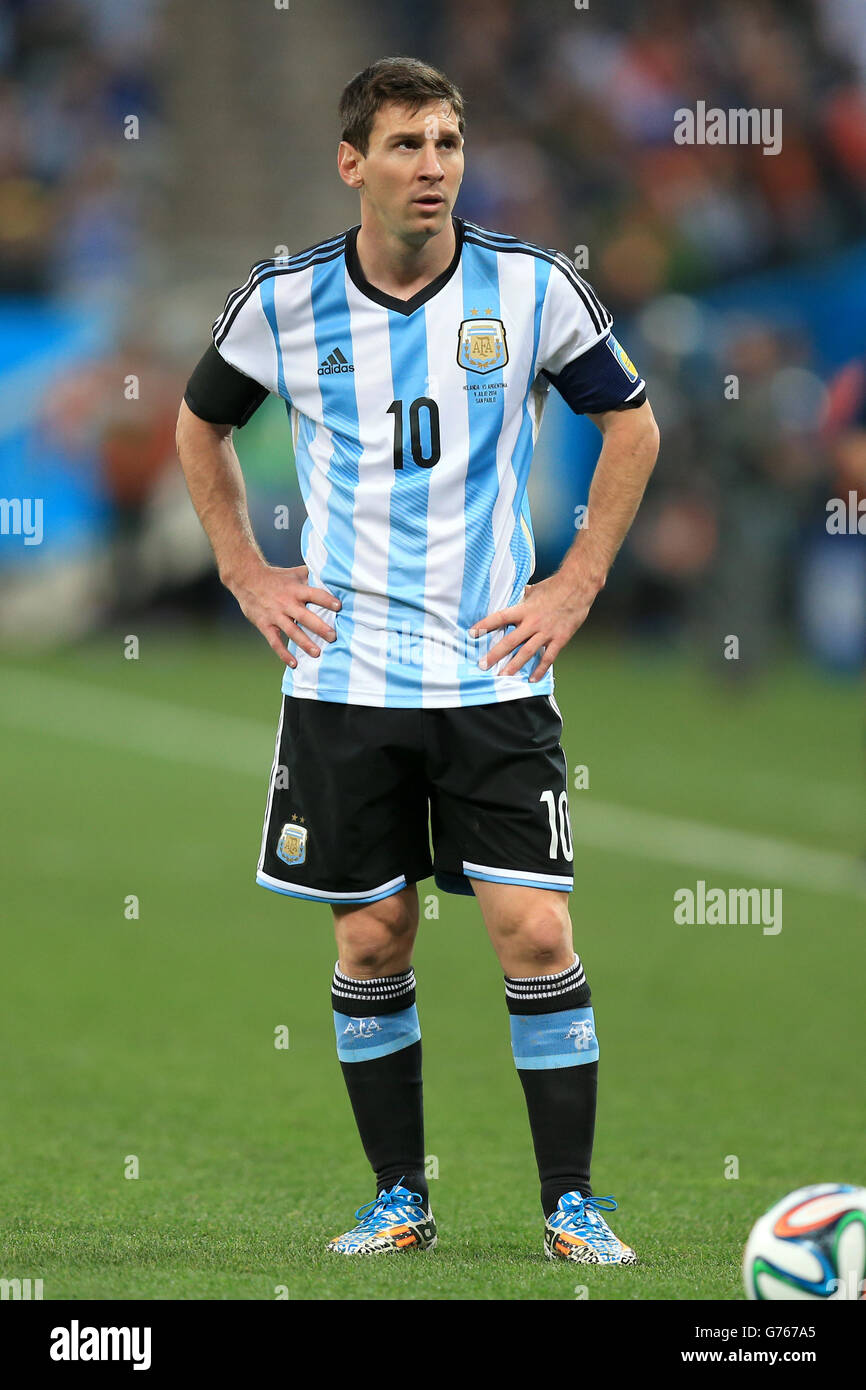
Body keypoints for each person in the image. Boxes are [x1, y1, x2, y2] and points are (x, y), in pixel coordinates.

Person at [176, 56, 659, 1263]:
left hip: (493, 669)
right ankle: (399, 1197)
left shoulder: (532, 287)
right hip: (345, 677)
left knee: (534, 935)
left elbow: (631, 425)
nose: (431, 166)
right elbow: (199, 426)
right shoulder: (283, 302)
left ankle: (569, 1203)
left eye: (445, 142)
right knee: (370, 937)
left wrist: (576, 580)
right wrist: (245, 572)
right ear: (352, 163)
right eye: (404, 145)